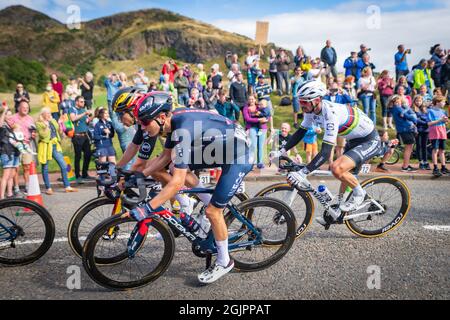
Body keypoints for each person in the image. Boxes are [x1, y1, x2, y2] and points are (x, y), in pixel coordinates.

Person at [129, 94, 253, 284]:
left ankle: (224, 261)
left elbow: (176, 183)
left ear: (161, 118)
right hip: (221, 147)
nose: (142, 127)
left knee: (213, 212)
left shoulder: (183, 130)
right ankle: (204, 202)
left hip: (238, 155)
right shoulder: (174, 122)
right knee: (173, 166)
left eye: (145, 122)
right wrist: (141, 174)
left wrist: (148, 208)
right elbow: (165, 157)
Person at [270, 80, 390, 226]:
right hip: (353, 139)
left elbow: (326, 152)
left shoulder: (330, 113)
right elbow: (300, 132)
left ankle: (359, 194)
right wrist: (280, 151)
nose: (302, 105)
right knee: (343, 174)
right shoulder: (311, 110)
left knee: (336, 168)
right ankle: (339, 210)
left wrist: (303, 173)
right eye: (300, 101)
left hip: (368, 140)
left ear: (316, 100)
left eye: (304, 102)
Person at [36, 108, 77, 195]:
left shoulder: (52, 120)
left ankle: (67, 186)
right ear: (42, 114)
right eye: (47, 113)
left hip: (55, 145)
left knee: (63, 165)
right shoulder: (39, 124)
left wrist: (59, 122)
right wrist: (46, 125)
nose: (49, 114)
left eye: (49, 113)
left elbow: (58, 129)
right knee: (45, 167)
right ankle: (48, 188)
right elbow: (44, 135)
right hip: (45, 146)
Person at [10, 100, 36, 193]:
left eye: (27, 108)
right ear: (19, 108)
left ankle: (27, 186)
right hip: (15, 146)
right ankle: (16, 187)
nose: (26, 109)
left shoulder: (30, 118)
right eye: (24, 107)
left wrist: (33, 134)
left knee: (27, 167)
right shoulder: (12, 118)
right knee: (16, 168)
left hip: (27, 145)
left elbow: (33, 131)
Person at [389, 95, 418, 172]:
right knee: (408, 148)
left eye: (399, 100)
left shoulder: (395, 109)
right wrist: (413, 116)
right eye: (396, 101)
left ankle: (406, 165)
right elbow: (410, 117)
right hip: (405, 129)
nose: (398, 102)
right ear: (393, 102)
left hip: (404, 129)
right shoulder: (398, 108)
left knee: (409, 147)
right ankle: (405, 167)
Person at [69, 96, 94, 184]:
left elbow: (87, 121)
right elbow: (73, 118)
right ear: (76, 102)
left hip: (85, 135)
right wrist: (84, 114)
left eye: (83, 102)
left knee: (88, 154)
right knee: (78, 156)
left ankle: (84, 173)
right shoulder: (72, 109)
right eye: (81, 102)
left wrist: (92, 116)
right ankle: (77, 175)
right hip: (77, 136)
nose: (83, 103)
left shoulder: (83, 110)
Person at [243, 95, 270, 169]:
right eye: (249, 99)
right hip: (252, 127)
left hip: (262, 127)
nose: (251, 100)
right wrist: (258, 120)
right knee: (253, 146)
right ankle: (252, 163)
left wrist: (267, 119)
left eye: (252, 99)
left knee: (261, 146)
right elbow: (247, 119)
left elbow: (268, 114)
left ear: (255, 100)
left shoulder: (260, 106)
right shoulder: (246, 108)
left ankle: (260, 163)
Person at [0, 103, 20, 199]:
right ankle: (1, 197)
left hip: (13, 152)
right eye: (8, 114)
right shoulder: (2, 125)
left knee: (11, 175)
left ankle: (9, 194)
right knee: (6, 175)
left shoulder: (10, 126)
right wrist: (4, 111)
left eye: (10, 114)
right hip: (6, 152)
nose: (9, 116)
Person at [427, 96, 449, 177]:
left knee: (442, 150)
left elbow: (445, 122)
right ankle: (435, 168)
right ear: (437, 102)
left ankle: (443, 167)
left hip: (442, 132)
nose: (444, 103)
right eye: (443, 102)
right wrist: (440, 120)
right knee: (435, 150)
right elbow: (429, 123)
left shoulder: (443, 111)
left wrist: (446, 121)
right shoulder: (430, 111)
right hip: (435, 132)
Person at [412, 95, 431, 170]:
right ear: (414, 101)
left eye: (420, 101)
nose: (418, 102)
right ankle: (421, 162)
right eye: (417, 101)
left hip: (426, 130)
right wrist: (425, 121)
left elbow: (428, 118)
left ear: (422, 101)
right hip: (418, 130)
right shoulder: (413, 109)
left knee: (424, 146)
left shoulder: (425, 109)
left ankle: (426, 161)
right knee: (419, 146)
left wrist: (422, 119)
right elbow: (416, 120)